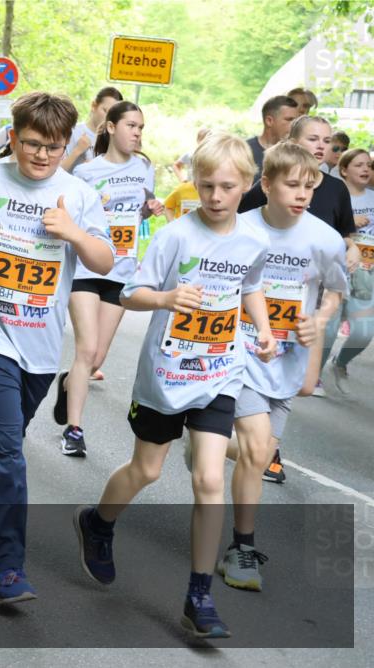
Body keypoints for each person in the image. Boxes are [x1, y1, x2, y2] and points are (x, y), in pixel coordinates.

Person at [74, 132, 276, 638]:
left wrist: (266, 329)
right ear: (193, 183)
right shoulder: (176, 236)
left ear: (246, 186)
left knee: (209, 479)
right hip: (166, 376)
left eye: (226, 187)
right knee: (147, 468)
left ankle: (199, 595)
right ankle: (98, 523)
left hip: (219, 371)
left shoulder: (255, 240)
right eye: (205, 185)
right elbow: (131, 291)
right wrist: (165, 300)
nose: (214, 196)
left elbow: (250, 286)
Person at [0, 92, 114, 604]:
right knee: (9, 451)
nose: (43, 156)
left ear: (68, 145)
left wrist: (73, 233)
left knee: (5, 439)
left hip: (40, 342)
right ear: (15, 138)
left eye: (55, 147)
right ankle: (7, 568)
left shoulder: (78, 194)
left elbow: (105, 261)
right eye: (34, 145)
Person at [219, 141, 347, 592]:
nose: (301, 194)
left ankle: (210, 447)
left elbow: (335, 289)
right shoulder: (240, 228)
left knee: (254, 457)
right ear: (266, 184)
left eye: (309, 187)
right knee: (256, 451)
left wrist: (321, 319)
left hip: (287, 364)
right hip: (238, 354)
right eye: (291, 185)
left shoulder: (324, 239)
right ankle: (242, 547)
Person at [54, 101, 164, 457]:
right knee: (85, 349)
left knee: (96, 359)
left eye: (141, 127)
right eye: (131, 125)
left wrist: (152, 208)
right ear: (112, 127)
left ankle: (70, 383)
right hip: (87, 266)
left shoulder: (145, 167)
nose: (137, 133)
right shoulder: (88, 172)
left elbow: (142, 212)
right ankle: (74, 430)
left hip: (121, 270)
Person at [240, 114, 360, 413]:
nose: (321, 146)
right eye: (312, 138)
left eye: (326, 140)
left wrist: (352, 247)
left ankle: (255, 441)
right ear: (293, 142)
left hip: (309, 296)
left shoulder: (335, 190)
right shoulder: (263, 191)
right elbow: (237, 224)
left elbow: (343, 234)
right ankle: (226, 430)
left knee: (305, 385)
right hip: (257, 300)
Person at [326, 148, 374, 393]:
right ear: (344, 170)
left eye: (369, 165)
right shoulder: (334, 195)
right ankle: (312, 377)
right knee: (328, 329)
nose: (366, 169)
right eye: (359, 165)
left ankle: (341, 362)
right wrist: (349, 223)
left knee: (365, 331)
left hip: (367, 274)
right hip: (336, 270)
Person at [62, 86, 123, 173]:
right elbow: (56, 172)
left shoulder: (114, 140)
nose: (108, 118)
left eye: (113, 115)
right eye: (105, 111)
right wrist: (78, 150)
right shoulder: (72, 131)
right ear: (94, 105)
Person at [246, 95, 299, 179]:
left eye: (296, 121)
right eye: (289, 120)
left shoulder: (297, 153)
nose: (294, 125)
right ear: (269, 121)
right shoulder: (245, 151)